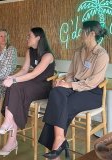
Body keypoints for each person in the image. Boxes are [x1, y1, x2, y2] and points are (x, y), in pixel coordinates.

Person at [38, 20, 109, 160]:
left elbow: (93, 82)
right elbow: (71, 74)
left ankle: (55, 149)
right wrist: (63, 82)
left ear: (92, 34)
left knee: (63, 106)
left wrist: (69, 85)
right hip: (75, 87)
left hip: (91, 92)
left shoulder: (102, 55)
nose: (80, 34)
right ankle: (59, 140)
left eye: (83, 31)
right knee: (56, 92)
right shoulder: (79, 52)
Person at [0, 27, 55, 156]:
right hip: (31, 85)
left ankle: (10, 132)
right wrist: (12, 77)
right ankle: (10, 131)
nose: (27, 38)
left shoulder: (48, 55)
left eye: (29, 36)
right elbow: (25, 70)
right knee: (13, 87)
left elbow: (34, 74)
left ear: (38, 37)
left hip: (43, 87)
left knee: (15, 86)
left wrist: (14, 80)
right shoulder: (29, 51)